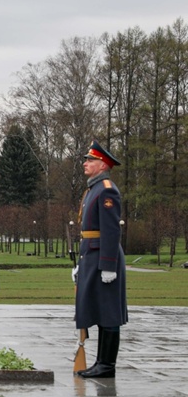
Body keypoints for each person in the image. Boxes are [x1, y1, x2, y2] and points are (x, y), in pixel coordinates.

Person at [74, 141, 128, 378]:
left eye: (90, 160)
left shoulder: (106, 189)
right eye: (86, 160)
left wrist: (108, 265)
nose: (86, 164)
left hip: (104, 258)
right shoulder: (92, 189)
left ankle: (107, 365)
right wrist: (81, 262)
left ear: (102, 165)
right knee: (98, 309)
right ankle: (100, 361)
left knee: (108, 311)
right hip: (92, 255)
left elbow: (110, 230)